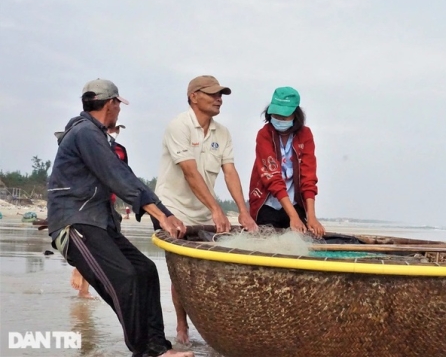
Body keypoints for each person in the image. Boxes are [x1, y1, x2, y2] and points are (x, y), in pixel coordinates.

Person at [47, 78, 193, 357]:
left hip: (99, 222)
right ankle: (146, 351)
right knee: (125, 278)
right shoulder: (85, 133)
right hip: (74, 224)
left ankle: (157, 345)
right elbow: (118, 178)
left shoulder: (96, 135)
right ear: (111, 104)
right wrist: (161, 216)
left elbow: (127, 179)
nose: (119, 111)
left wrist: (165, 213)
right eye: (118, 104)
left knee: (145, 270)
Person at [154, 75, 258, 344]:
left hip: (202, 212)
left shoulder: (222, 133)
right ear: (193, 97)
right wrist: (216, 208)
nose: (218, 98)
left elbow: (230, 171)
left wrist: (243, 212)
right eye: (212, 94)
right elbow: (189, 172)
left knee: (207, 273)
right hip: (172, 209)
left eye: (221, 94)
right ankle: (181, 325)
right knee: (180, 272)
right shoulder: (179, 126)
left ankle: (214, 327)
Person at [248, 86, 325, 238]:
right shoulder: (264, 134)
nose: (279, 120)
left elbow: (308, 177)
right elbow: (271, 177)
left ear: (295, 116)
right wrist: (293, 216)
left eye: (284, 117)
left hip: (296, 203)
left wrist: (311, 216)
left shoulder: (305, 135)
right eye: (276, 115)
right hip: (267, 203)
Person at [69, 124, 128, 299]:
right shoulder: (87, 145)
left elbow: (124, 176)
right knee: (93, 244)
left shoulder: (120, 151)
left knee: (104, 244)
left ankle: (84, 287)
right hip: (88, 203)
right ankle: (81, 272)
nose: (111, 133)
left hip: (108, 204)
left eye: (114, 130)